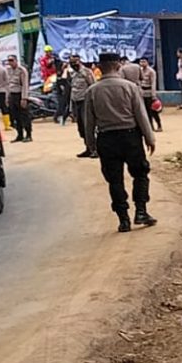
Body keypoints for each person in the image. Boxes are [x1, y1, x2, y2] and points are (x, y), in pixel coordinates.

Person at [84, 53, 156, 233]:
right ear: (118, 66)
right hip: (130, 137)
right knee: (140, 174)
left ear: (99, 68)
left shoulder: (92, 91)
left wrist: (90, 144)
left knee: (114, 180)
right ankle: (141, 211)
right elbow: (141, 115)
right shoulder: (130, 87)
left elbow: (89, 122)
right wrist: (149, 138)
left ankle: (123, 219)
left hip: (106, 139)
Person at [70, 56, 97, 157]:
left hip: (85, 102)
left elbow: (93, 86)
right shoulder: (73, 73)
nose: (73, 66)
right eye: (71, 64)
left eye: (75, 64)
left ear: (79, 62)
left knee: (88, 126)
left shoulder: (86, 72)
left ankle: (94, 149)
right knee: (81, 128)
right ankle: (88, 148)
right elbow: (72, 89)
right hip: (76, 102)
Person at [4, 55, 33, 142]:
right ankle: (19, 135)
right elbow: (7, 85)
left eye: (12, 60)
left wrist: (24, 98)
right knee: (15, 116)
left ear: (16, 60)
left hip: (20, 94)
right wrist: (7, 97)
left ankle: (28, 135)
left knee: (24, 116)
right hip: (12, 95)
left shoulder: (22, 70)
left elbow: (25, 85)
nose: (10, 62)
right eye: (9, 60)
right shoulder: (8, 70)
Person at [139, 57, 162, 132]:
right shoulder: (140, 70)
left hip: (150, 93)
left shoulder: (151, 71)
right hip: (143, 93)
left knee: (153, 111)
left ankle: (159, 125)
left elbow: (153, 83)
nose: (142, 63)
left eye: (144, 61)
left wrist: (153, 95)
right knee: (145, 112)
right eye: (141, 62)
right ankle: (150, 127)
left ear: (147, 62)